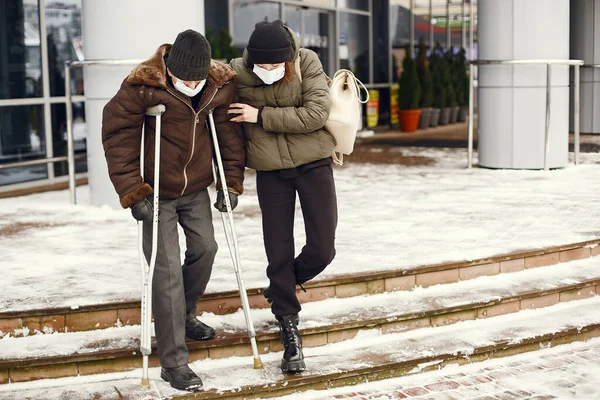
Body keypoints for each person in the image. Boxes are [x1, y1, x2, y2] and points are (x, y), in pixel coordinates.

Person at [102, 29, 245, 391]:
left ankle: (183, 315)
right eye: (184, 79)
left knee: (206, 249)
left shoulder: (219, 85)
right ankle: (173, 361)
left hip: (195, 189)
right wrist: (134, 193)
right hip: (156, 193)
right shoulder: (142, 86)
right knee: (166, 272)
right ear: (169, 69)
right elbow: (117, 136)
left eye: (197, 80)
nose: (191, 85)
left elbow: (228, 137)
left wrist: (230, 184)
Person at [229, 20, 337, 374]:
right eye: (264, 66)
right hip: (270, 172)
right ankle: (290, 331)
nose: (270, 71)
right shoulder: (238, 71)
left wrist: (260, 116)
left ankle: (281, 287)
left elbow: (316, 114)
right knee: (278, 249)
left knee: (323, 248)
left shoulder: (307, 61)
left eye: (276, 66)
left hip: (313, 164)